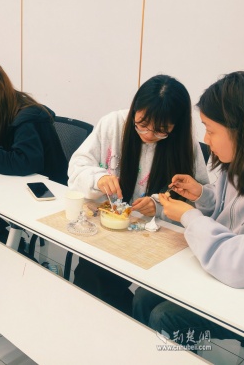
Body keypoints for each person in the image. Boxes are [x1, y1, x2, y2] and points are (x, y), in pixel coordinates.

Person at [133, 72, 244, 358]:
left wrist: (188, 216)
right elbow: (226, 212)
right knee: (145, 296)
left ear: (241, 130)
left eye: (210, 130)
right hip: (224, 272)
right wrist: (201, 195)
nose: (206, 139)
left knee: (164, 317)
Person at [67, 74, 209, 315]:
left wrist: (160, 207)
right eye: (142, 124)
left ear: (176, 125)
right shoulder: (113, 124)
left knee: (148, 299)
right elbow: (77, 167)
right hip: (108, 232)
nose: (148, 135)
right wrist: (98, 178)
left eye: (161, 131)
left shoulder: (184, 145)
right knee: (92, 278)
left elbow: (201, 201)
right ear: (135, 110)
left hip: (156, 239)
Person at [0, 62, 68, 270]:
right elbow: (10, 152)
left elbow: (24, 161)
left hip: (46, 191)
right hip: (25, 184)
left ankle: (25, 268)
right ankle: (6, 264)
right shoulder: (11, 108)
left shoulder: (26, 118)